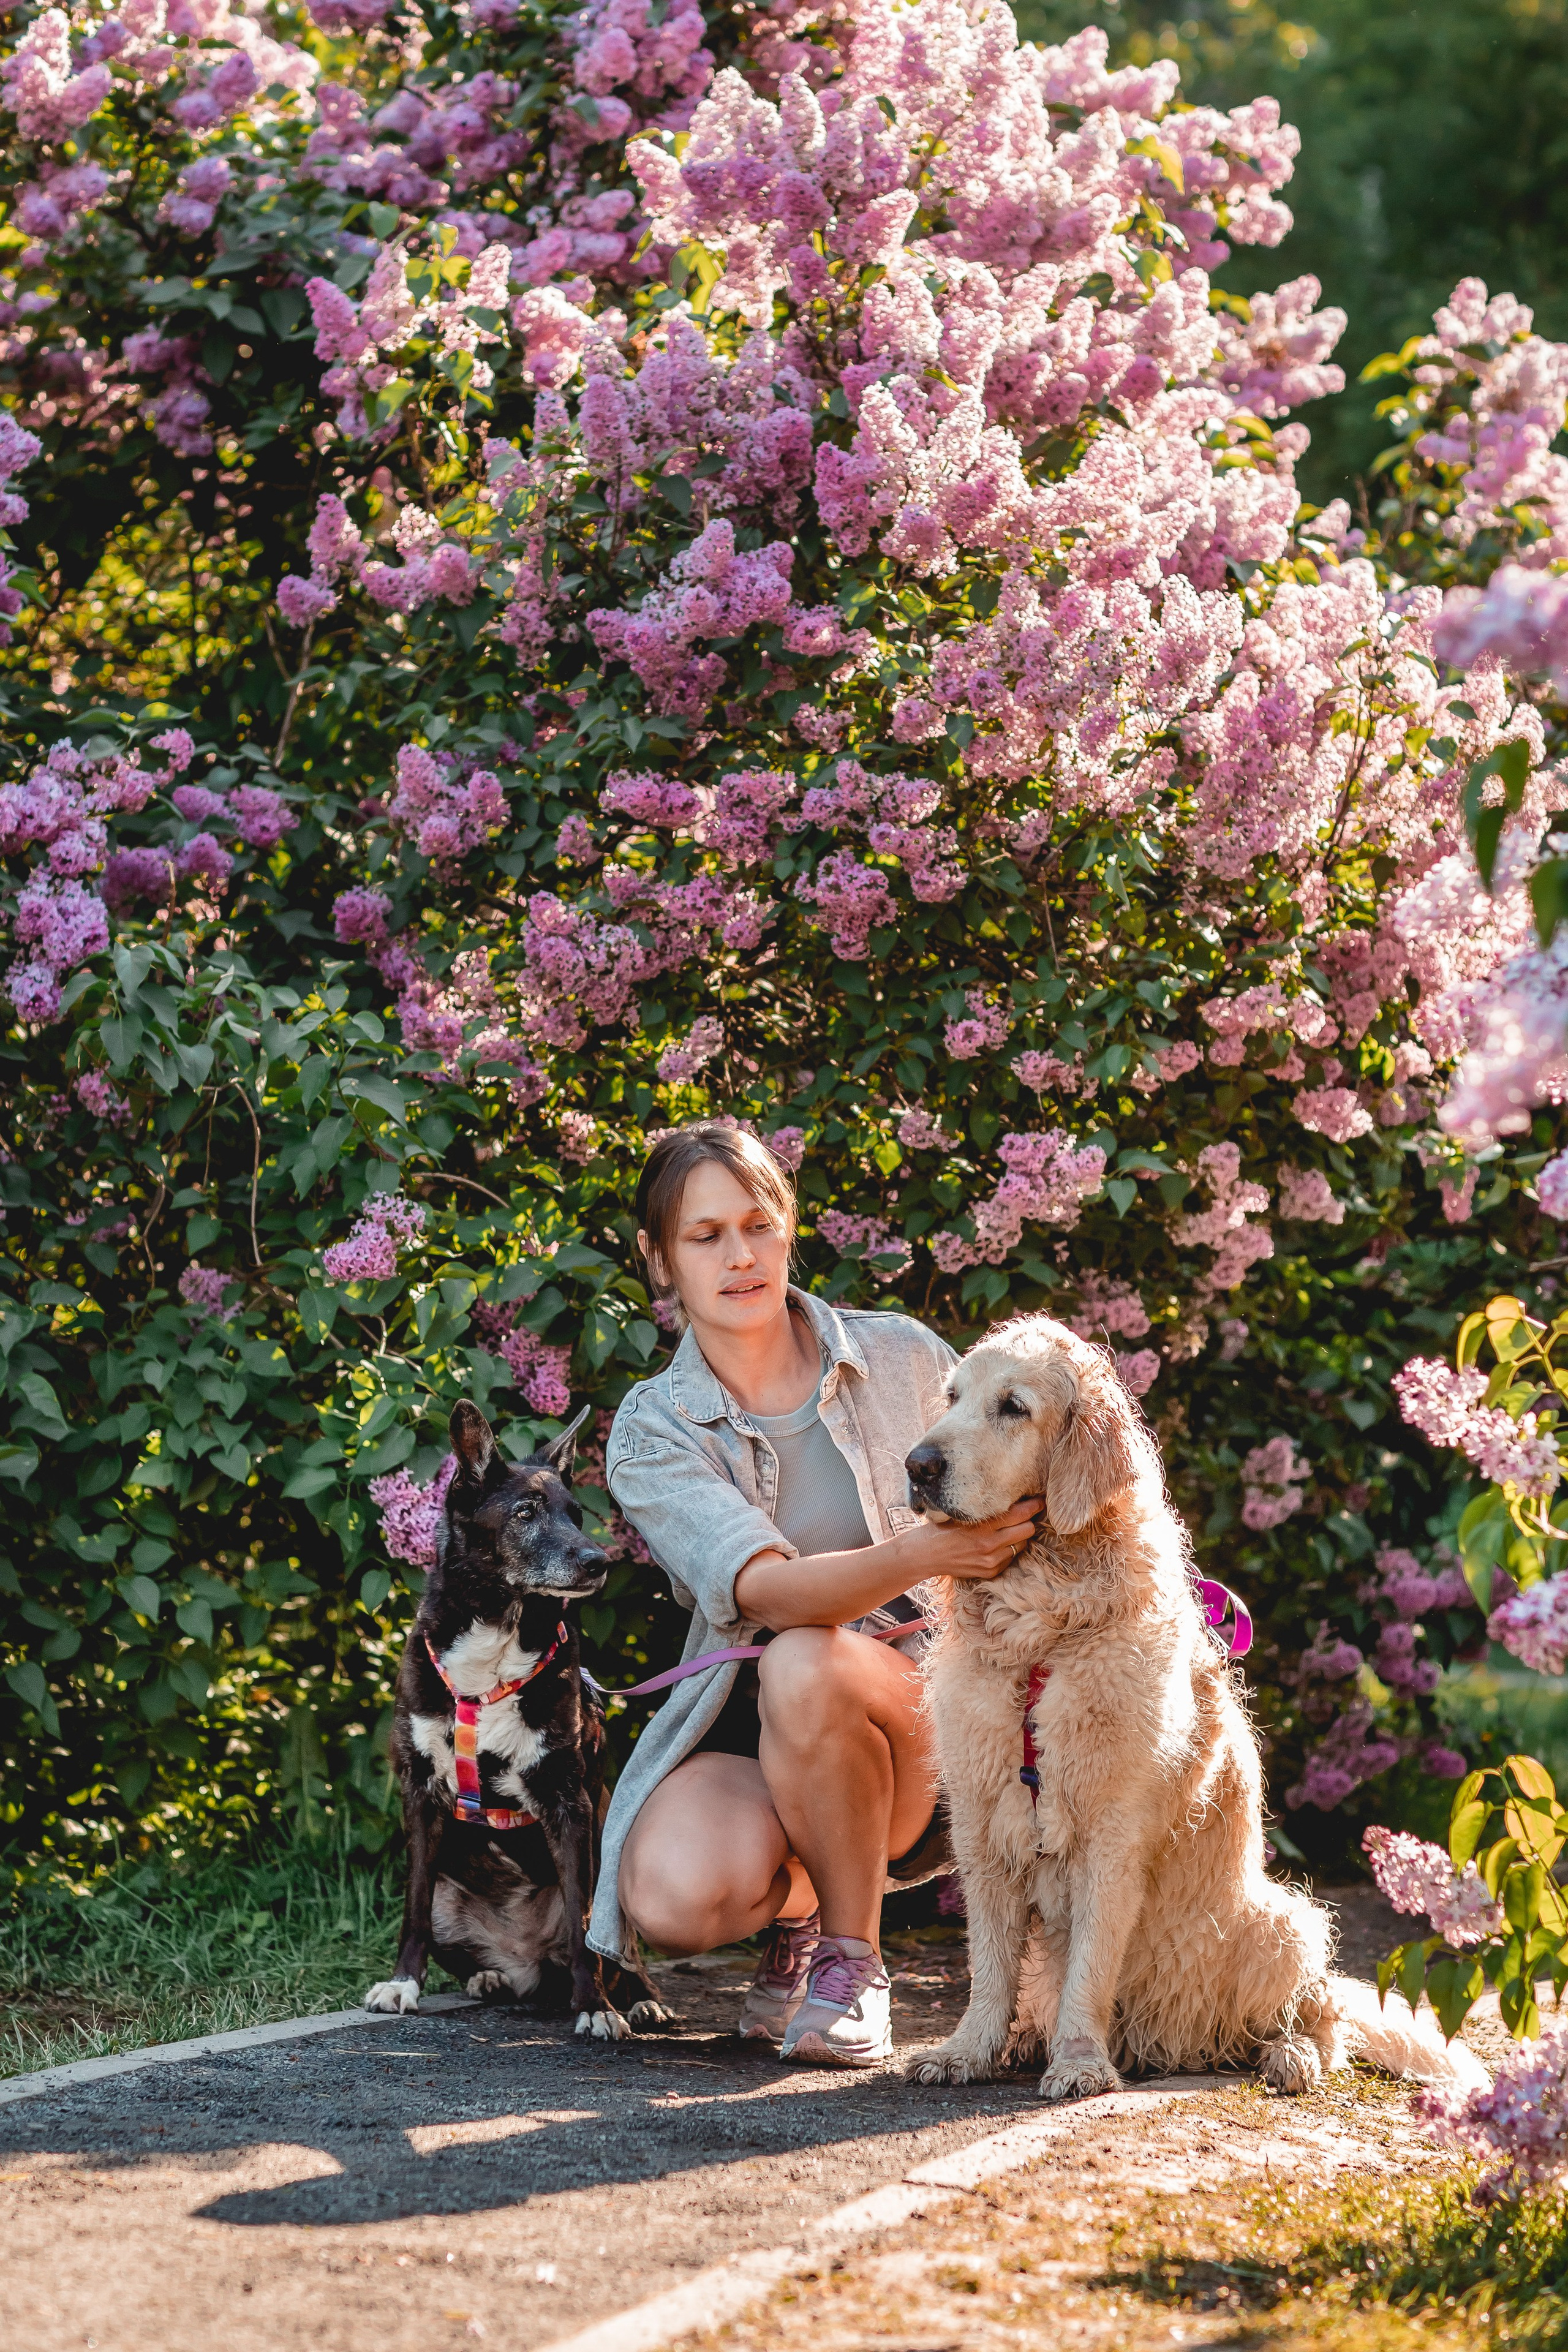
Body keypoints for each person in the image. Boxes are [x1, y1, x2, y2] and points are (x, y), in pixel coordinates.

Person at [586, 1120, 1042, 2066]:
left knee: (806, 1660)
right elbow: (773, 1591)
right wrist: (931, 1551)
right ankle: (812, 1905)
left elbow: (1020, 1477)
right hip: (755, 1733)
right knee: (668, 1896)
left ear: (789, 1226)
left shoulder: (908, 1358)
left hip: (926, 1727)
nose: (739, 1256)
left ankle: (851, 1964)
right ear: (659, 1260)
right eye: (704, 1236)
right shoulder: (650, 1429)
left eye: (757, 1224)